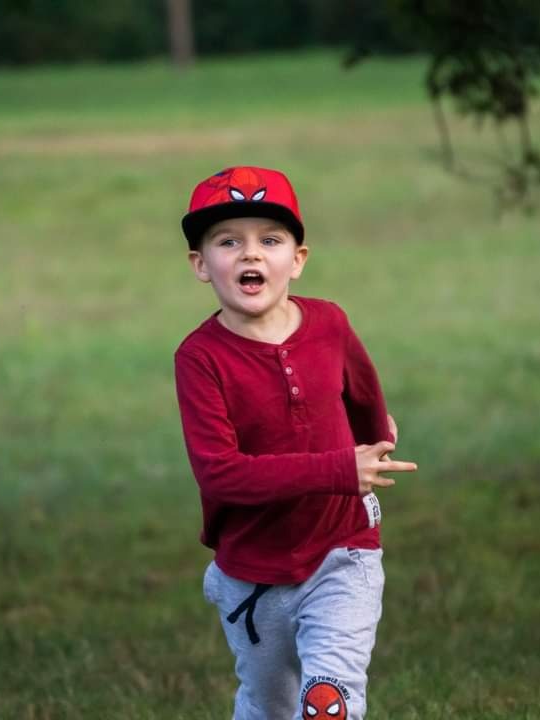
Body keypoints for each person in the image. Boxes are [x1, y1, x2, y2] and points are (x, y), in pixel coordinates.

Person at [174, 166, 417, 719]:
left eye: (270, 239)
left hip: (343, 552)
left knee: (328, 704)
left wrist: (377, 438)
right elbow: (220, 474)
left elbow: (363, 397)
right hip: (252, 576)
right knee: (271, 706)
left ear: (298, 259)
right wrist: (338, 469)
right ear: (201, 265)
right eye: (228, 241)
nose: (250, 254)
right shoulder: (199, 359)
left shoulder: (330, 324)